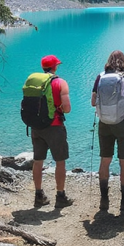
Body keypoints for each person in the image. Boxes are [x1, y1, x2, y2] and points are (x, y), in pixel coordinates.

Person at [90, 50, 124, 211]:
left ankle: (104, 199)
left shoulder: (100, 77)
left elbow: (93, 102)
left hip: (104, 123)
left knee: (105, 160)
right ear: (123, 61)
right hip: (123, 122)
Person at [30, 54, 74, 208]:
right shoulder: (60, 82)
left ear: (43, 67)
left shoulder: (35, 83)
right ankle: (60, 196)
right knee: (60, 162)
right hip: (55, 126)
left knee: (38, 161)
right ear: (55, 67)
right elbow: (67, 109)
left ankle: (38, 195)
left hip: (36, 126)